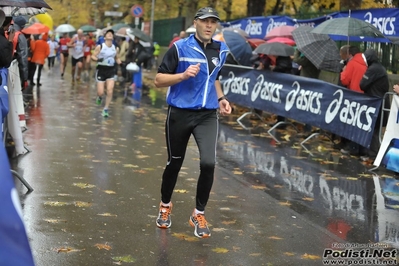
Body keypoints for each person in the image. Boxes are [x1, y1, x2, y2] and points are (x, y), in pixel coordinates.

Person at [154, 7, 231, 239]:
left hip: (207, 114)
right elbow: (159, 80)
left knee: (209, 163)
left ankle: (198, 213)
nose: (209, 26)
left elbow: (215, 78)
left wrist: (222, 98)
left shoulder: (221, 49)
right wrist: (183, 75)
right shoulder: (179, 47)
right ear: (196, 23)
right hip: (179, 113)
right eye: (205, 21)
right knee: (174, 163)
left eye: (213, 22)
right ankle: (165, 206)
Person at [359, 49, 390, 161]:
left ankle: (373, 155)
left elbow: (362, 84)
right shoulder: (379, 67)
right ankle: (373, 154)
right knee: (374, 130)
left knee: (374, 130)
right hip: (379, 102)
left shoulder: (373, 69)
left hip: (376, 103)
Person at [91, 29, 121, 117]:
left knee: (110, 90)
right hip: (101, 70)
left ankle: (106, 109)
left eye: (111, 34)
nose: (110, 35)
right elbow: (93, 56)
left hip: (111, 70)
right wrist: (98, 59)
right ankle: (99, 97)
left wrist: (120, 63)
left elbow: (117, 58)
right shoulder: (100, 47)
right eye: (108, 34)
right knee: (100, 92)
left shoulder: (116, 48)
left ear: (113, 37)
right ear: (105, 37)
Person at [3, 16, 29, 90]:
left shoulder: (3, 32)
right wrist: (24, 78)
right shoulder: (20, 36)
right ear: (22, 26)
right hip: (12, 69)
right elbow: (23, 59)